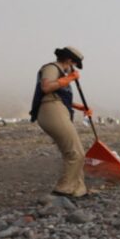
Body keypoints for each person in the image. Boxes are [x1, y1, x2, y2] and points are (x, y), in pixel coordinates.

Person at [29, 46, 91, 198]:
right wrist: (70, 78)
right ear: (69, 60)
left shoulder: (62, 74)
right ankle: (63, 189)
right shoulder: (51, 68)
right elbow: (46, 87)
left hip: (58, 108)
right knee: (76, 153)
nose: (73, 68)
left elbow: (60, 95)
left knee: (73, 151)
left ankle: (79, 189)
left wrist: (80, 107)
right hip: (51, 110)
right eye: (74, 64)